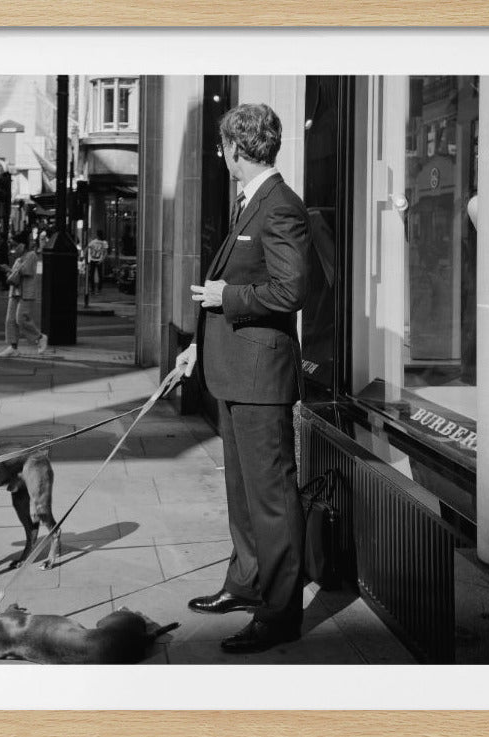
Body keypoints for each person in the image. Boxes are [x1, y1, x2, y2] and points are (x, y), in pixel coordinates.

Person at [175, 103, 311, 654]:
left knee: (272, 500)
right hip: (233, 373)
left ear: (235, 149)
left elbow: (291, 290)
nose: (221, 155)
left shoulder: (280, 207)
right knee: (242, 494)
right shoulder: (251, 203)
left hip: (260, 380)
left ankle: (280, 615)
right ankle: (246, 583)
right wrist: (194, 348)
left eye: (222, 147)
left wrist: (223, 297)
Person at [0, 239, 47, 357]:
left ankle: (40, 337)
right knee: (10, 320)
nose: (15, 248)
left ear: (24, 244)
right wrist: (8, 271)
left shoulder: (31, 255)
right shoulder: (18, 259)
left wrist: (9, 270)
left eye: (17, 244)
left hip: (26, 292)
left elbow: (26, 271)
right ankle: (13, 346)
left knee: (21, 319)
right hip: (15, 292)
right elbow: (14, 275)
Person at [86, 229, 109, 295]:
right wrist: (102, 260)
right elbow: (105, 253)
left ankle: (92, 289)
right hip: (99, 260)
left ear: (97, 235)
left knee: (92, 275)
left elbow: (87, 248)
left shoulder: (93, 241)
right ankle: (99, 289)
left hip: (93, 259)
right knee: (100, 275)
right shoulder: (104, 242)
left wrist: (83, 255)